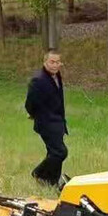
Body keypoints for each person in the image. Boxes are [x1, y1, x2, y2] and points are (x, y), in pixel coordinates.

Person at [25, 49, 68, 188]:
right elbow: (29, 103)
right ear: (45, 62)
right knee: (60, 152)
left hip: (58, 122)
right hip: (46, 123)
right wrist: (35, 115)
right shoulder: (38, 80)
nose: (55, 65)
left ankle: (51, 182)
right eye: (52, 62)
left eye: (57, 62)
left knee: (53, 152)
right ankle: (39, 173)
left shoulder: (57, 76)